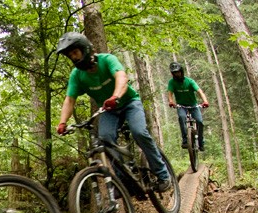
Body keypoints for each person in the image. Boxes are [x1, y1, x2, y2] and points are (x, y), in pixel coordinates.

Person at [54, 32, 173, 192]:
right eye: (70, 56)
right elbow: (70, 100)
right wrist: (62, 122)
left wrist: (115, 96)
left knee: (139, 132)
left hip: (129, 103)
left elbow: (121, 78)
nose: (74, 57)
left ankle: (163, 175)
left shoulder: (107, 59)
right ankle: (124, 183)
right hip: (109, 110)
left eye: (75, 52)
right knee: (105, 139)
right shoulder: (77, 75)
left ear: (85, 49)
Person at [166, 62, 210, 151]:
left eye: (178, 72)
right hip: (181, 106)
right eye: (174, 73)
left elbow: (199, 91)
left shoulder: (190, 81)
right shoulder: (172, 82)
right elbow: (170, 93)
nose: (177, 74)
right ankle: (185, 140)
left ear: (181, 71)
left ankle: (201, 142)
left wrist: (205, 101)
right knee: (182, 117)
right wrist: (171, 101)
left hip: (193, 105)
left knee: (199, 121)